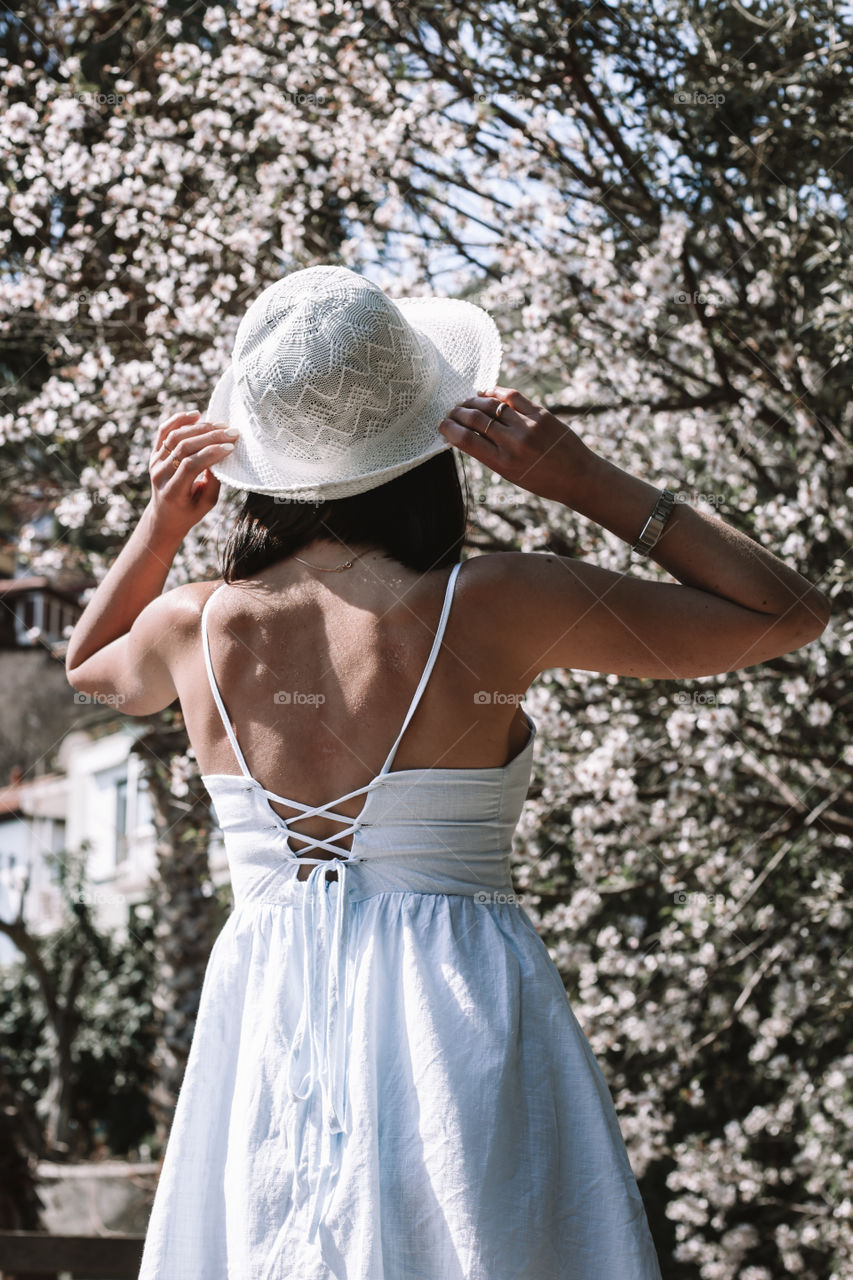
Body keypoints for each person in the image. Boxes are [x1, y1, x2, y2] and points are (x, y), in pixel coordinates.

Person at [65, 266, 830, 1280]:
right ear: (427, 445)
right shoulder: (499, 601)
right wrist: (587, 478)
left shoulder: (190, 625)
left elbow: (88, 662)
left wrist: (162, 526)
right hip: (456, 1013)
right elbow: (788, 610)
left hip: (271, 1026)